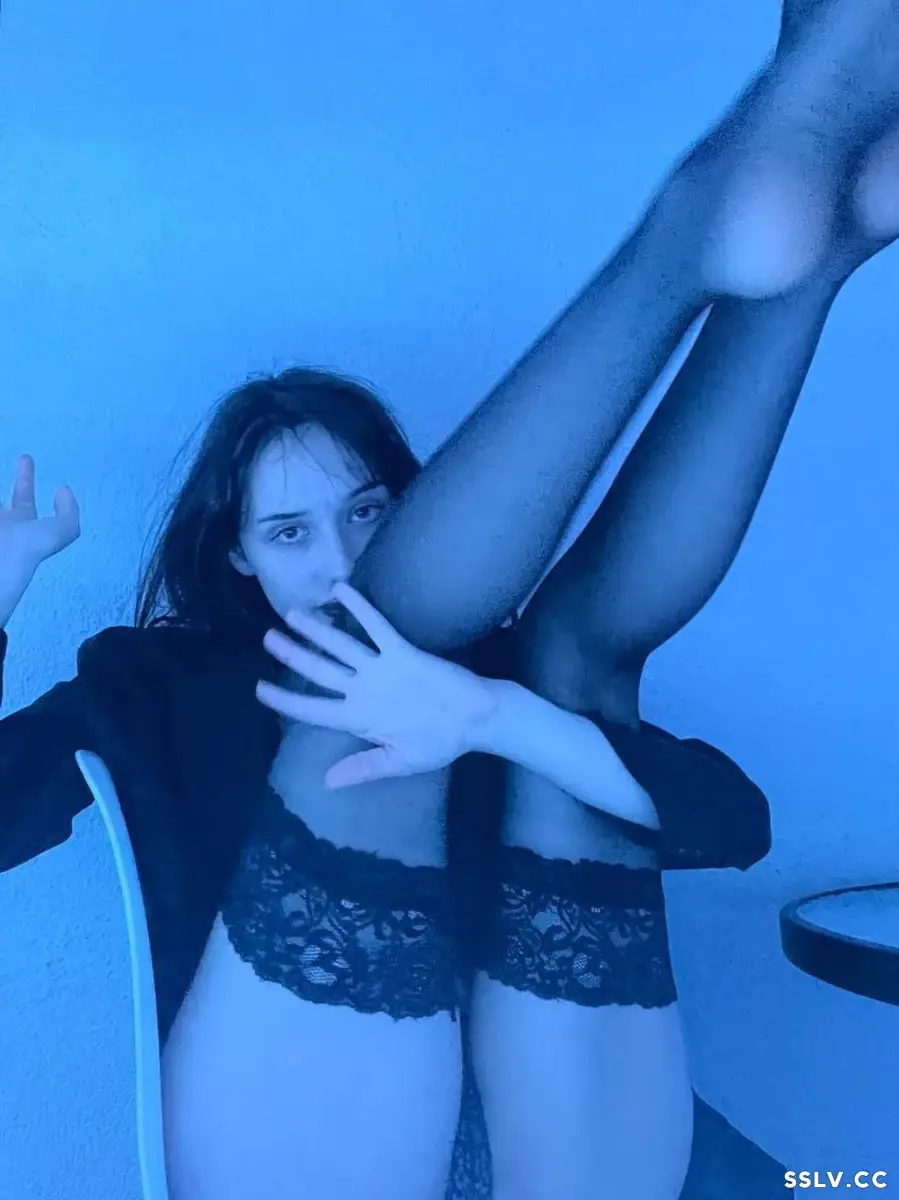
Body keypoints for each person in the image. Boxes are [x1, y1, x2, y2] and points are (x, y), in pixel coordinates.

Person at [2, 2, 898, 1197]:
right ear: (237, 558)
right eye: (288, 532)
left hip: (557, 1125)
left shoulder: (500, 665)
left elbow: (730, 822)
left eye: (368, 513)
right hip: (311, 1133)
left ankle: (813, 253)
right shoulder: (155, 679)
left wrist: (490, 717)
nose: (334, 556)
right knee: (365, 678)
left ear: (420, 510)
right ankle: (728, 225)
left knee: (567, 663)